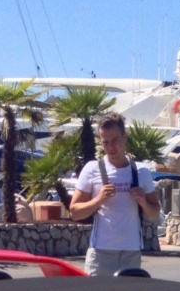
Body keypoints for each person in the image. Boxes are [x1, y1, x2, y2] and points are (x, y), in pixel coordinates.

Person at [69, 113, 162, 276]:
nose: (111, 147)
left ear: (125, 137)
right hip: (101, 253)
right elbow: (75, 212)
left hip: (131, 253)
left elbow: (154, 214)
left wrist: (144, 203)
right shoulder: (92, 169)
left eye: (115, 141)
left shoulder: (141, 171)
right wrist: (99, 199)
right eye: (105, 142)